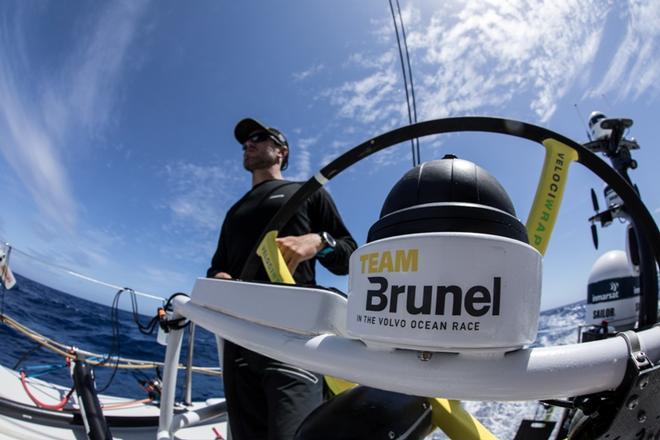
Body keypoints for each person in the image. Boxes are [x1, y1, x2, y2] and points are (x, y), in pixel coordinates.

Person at [207, 118, 357, 440]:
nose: (248, 144)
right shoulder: (235, 212)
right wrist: (219, 277)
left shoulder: (306, 193)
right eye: (245, 142)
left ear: (281, 152)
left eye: (258, 138)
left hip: (292, 336)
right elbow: (216, 266)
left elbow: (349, 254)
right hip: (238, 337)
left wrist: (318, 242)